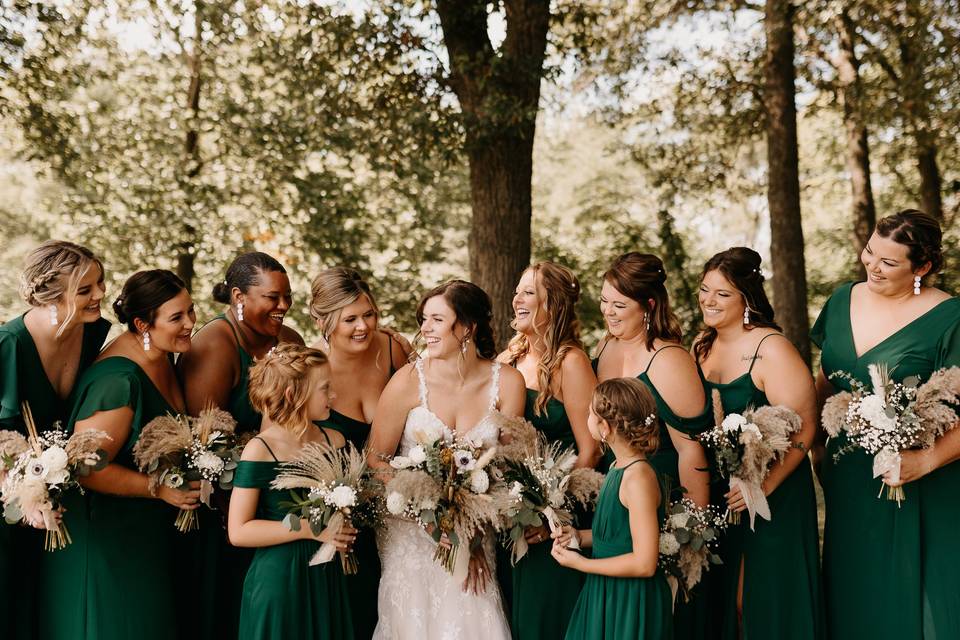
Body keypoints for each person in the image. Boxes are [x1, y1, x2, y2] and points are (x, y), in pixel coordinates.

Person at [813, 210, 960, 639]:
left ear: (923, 267)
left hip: (921, 482)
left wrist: (926, 461)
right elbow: (828, 379)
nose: (872, 266)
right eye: (870, 253)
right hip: (849, 478)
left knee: (919, 607)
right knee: (855, 597)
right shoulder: (842, 299)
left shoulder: (950, 317)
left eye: (888, 262)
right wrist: (819, 450)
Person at [40, 270, 201, 640]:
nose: (190, 323)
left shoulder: (163, 357)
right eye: (177, 317)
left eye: (191, 311)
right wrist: (158, 489)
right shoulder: (118, 381)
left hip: (143, 536)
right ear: (143, 323)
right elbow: (86, 469)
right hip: (106, 538)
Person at [367, 280, 525, 639]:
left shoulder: (509, 383)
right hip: (409, 532)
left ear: (467, 327)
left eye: (437, 320)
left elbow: (507, 470)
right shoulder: (407, 380)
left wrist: (470, 536)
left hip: (477, 533)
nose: (425, 329)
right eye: (424, 319)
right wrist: (432, 521)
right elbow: (377, 461)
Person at [693, 247, 824, 639]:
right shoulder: (703, 346)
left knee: (756, 599)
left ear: (747, 299)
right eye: (704, 290)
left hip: (772, 495)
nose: (708, 301)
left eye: (722, 294)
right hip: (720, 493)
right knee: (721, 598)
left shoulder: (771, 349)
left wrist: (762, 488)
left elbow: (806, 428)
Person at [177, 251, 304, 638]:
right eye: (272, 297)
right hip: (224, 509)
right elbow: (202, 445)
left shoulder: (290, 340)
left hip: (284, 502)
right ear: (238, 297)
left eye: (287, 296)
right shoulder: (214, 346)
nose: (283, 305)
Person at [592, 253, 711, 638]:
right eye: (605, 300)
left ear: (649, 305)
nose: (608, 312)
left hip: (657, 494)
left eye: (619, 305)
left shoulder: (668, 359)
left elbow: (691, 450)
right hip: (613, 490)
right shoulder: (605, 349)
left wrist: (690, 532)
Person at [0, 240, 111, 640]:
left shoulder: (96, 332)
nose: (100, 295)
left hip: (66, 503)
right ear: (49, 296)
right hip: (10, 505)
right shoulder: (8, 346)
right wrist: (24, 497)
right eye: (85, 290)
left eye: (100, 283)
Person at [308, 267, 412, 639]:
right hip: (348, 522)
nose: (363, 327)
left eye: (369, 314)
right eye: (349, 318)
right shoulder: (310, 369)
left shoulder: (392, 348)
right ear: (322, 320)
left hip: (406, 512)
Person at [497, 262, 598, 639]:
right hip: (506, 519)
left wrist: (550, 511)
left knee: (544, 621)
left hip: (553, 521)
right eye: (518, 290)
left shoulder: (571, 363)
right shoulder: (506, 360)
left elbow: (590, 451)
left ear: (552, 305)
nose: (517, 299)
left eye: (528, 292)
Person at [228, 344, 356, 640]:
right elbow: (239, 530)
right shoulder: (260, 449)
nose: (333, 396)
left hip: (327, 575)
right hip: (279, 580)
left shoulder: (334, 440)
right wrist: (309, 530)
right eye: (325, 389)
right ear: (293, 395)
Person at [552, 377, 672, 640]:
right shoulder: (617, 466)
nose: (587, 419)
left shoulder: (638, 477)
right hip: (605, 590)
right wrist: (578, 536)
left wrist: (581, 564)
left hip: (630, 600)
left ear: (604, 427)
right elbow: (621, 537)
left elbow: (644, 563)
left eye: (589, 414)